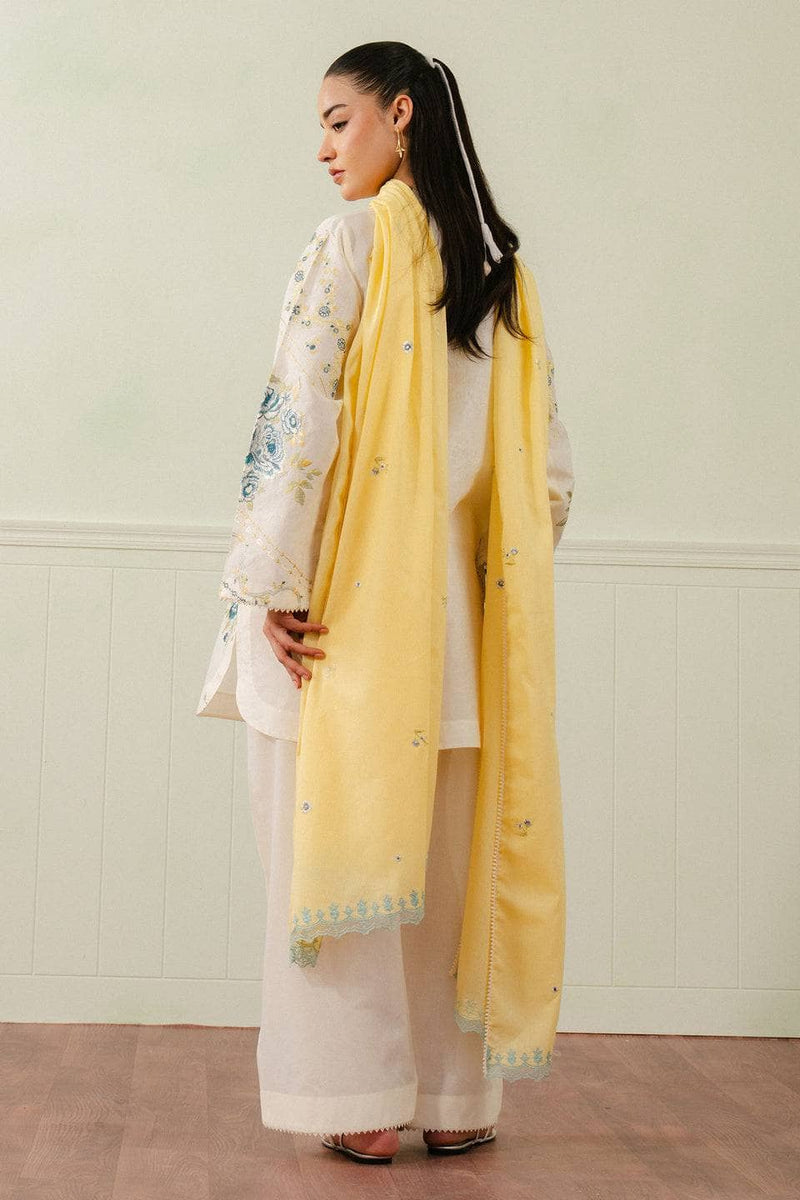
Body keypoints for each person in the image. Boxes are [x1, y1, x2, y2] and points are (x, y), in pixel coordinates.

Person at [196, 42, 574, 1165]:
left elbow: (298, 417)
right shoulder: (504, 276)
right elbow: (546, 477)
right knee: (449, 876)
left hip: (340, 627)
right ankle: (457, 1103)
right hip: (463, 637)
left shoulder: (351, 241)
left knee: (330, 854)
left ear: (398, 114)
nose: (322, 149)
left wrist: (271, 585)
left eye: (337, 120)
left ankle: (356, 1106)